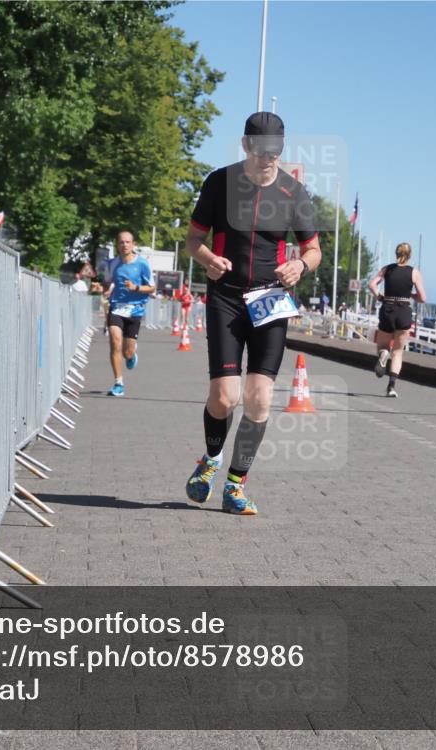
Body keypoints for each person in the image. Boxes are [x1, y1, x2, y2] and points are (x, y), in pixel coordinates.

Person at [183, 111, 322, 515]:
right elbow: (194, 239)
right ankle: (210, 461)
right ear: (245, 145)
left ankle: (235, 485)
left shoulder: (294, 192)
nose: (268, 159)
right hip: (226, 297)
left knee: (259, 399)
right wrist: (208, 257)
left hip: (270, 300)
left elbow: (313, 249)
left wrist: (301, 266)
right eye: (261, 151)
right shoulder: (219, 183)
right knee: (225, 397)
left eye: (275, 152)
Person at [367, 242, 426, 397]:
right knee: (398, 352)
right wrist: (411, 295)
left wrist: (379, 296)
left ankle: (384, 354)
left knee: (382, 346)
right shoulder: (414, 273)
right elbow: (423, 298)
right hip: (404, 311)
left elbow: (372, 285)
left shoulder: (387, 269)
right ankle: (391, 387)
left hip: (387, 309)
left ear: (396, 253)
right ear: (409, 255)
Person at [104, 230, 155, 397]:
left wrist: (136, 288)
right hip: (116, 307)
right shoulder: (112, 264)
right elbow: (107, 283)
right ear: (117, 245)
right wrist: (103, 289)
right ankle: (118, 383)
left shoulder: (142, 264)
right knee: (114, 340)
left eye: (127, 242)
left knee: (127, 351)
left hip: (135, 309)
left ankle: (131, 355)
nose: (124, 245)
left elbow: (152, 288)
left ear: (133, 245)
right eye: (121, 242)